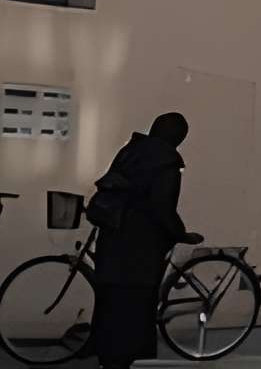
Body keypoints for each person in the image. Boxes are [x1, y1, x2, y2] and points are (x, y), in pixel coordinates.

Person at [87, 111, 190, 369]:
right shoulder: (167, 162)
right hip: (140, 248)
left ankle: (106, 356)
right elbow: (163, 208)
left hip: (112, 238)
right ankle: (123, 359)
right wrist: (180, 233)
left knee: (110, 302)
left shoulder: (129, 151)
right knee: (133, 309)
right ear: (177, 138)